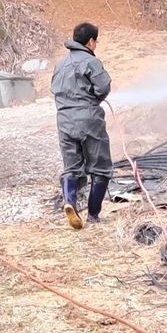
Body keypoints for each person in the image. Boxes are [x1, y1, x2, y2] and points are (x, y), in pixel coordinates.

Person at [51, 22, 112, 229]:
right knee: (100, 168)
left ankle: (70, 202)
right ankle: (93, 215)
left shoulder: (60, 64)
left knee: (71, 167)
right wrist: (93, 100)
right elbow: (103, 87)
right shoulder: (91, 61)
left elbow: (55, 90)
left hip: (64, 120)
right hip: (89, 118)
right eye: (96, 41)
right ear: (91, 41)